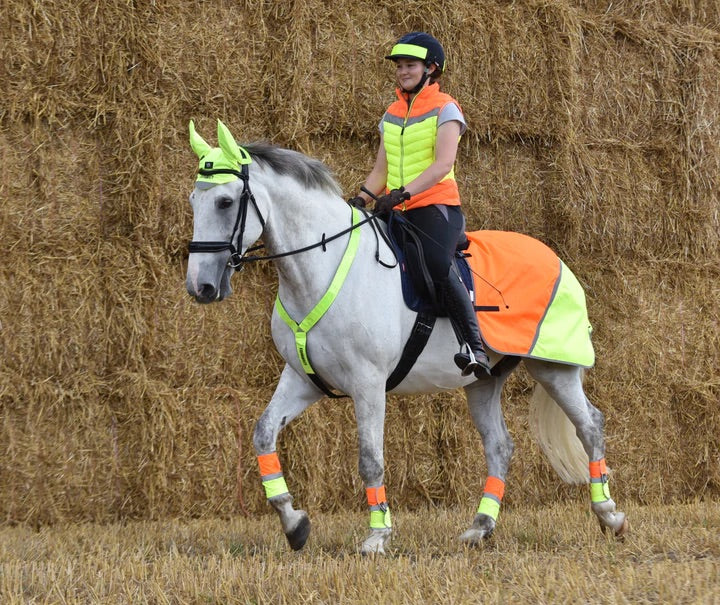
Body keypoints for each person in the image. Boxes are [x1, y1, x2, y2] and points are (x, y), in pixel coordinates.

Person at [347, 31, 490, 378]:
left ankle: (475, 345)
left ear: (431, 69)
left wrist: (404, 192)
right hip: (396, 208)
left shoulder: (447, 109)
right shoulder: (392, 113)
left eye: (409, 65)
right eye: (398, 66)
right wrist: (361, 198)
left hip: (435, 207)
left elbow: (443, 164)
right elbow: (381, 168)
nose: (402, 72)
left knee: (437, 262)